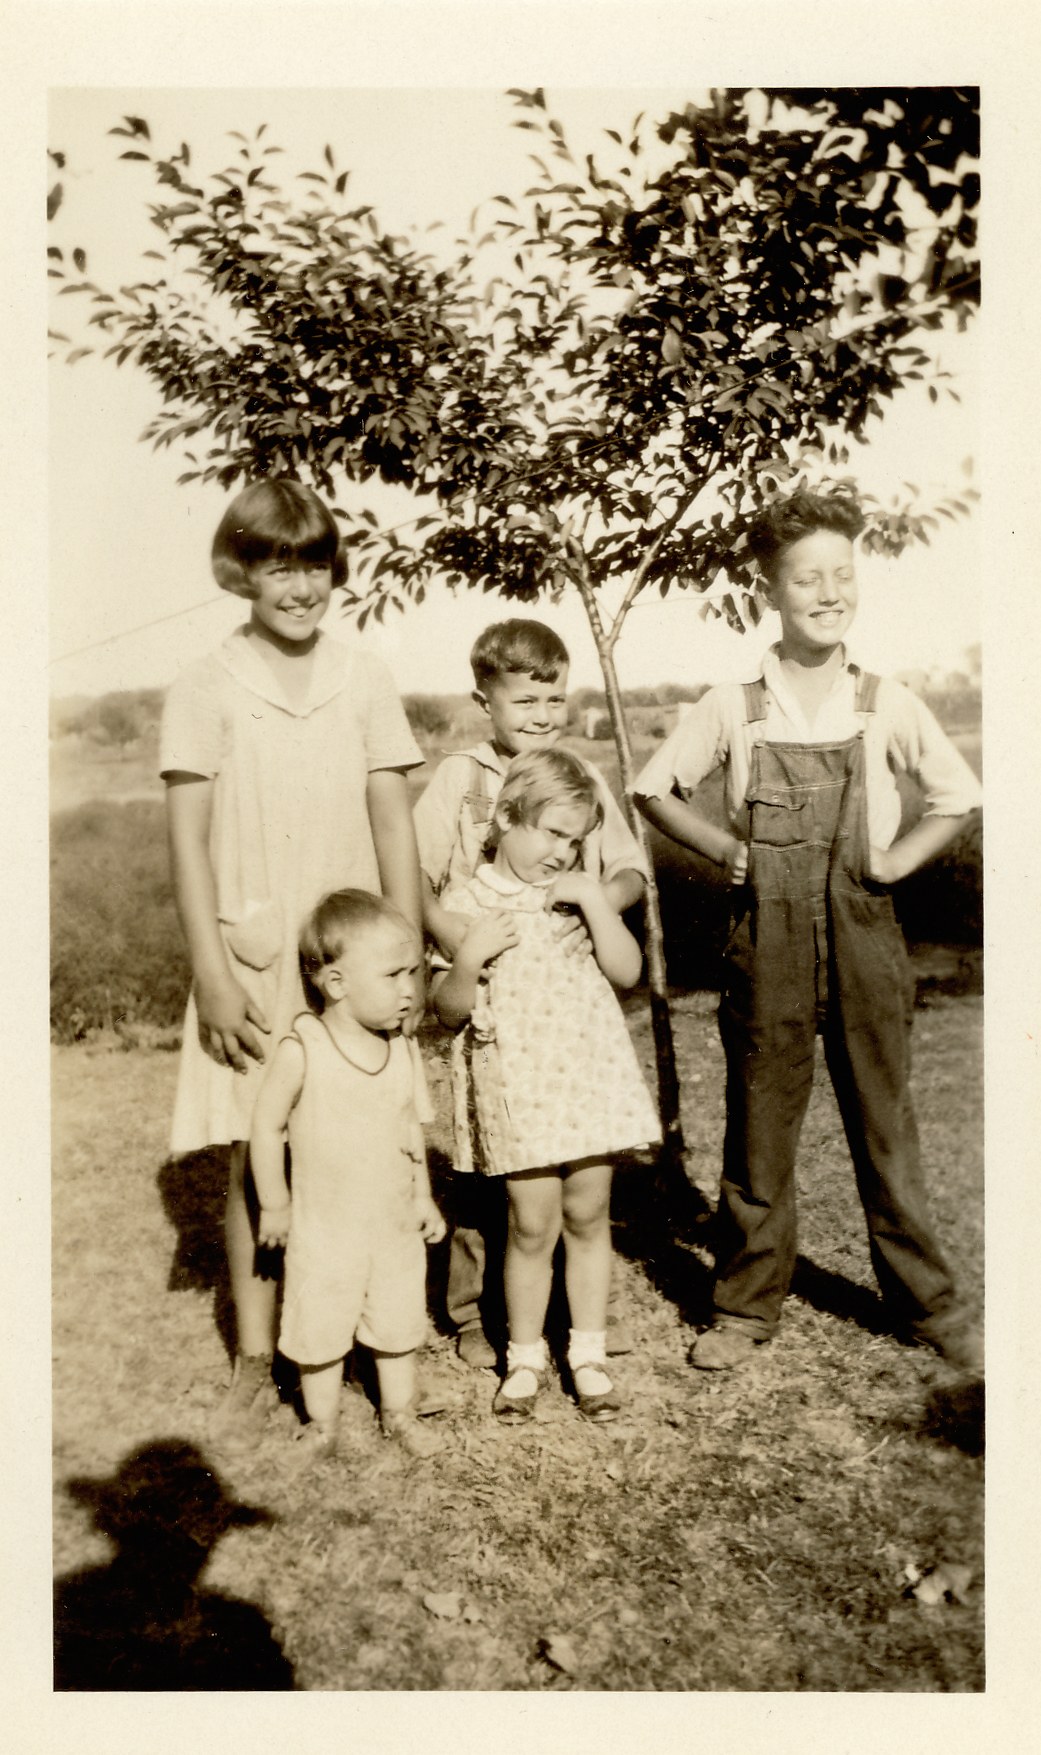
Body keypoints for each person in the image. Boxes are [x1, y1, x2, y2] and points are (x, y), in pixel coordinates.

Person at [633, 489, 983, 1372]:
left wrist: (898, 863)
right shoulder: (733, 704)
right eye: (806, 577)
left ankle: (928, 1305)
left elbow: (957, 797)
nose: (828, 593)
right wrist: (722, 846)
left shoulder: (885, 701)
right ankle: (745, 1308)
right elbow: (651, 790)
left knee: (885, 1125)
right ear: (769, 590)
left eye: (842, 575)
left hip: (865, 935)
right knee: (759, 1130)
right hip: (768, 942)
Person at [160, 480, 424, 1443]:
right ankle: (255, 1352)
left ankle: (366, 1332)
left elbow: (393, 818)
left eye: (315, 563)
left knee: (357, 1142)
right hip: (253, 950)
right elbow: (188, 843)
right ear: (241, 570)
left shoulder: (366, 676)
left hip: (350, 950)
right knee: (254, 1147)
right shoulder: (204, 683)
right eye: (277, 565)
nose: (300, 586)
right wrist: (212, 973)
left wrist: (407, 953)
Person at [414, 618, 648, 1368]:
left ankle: (561, 1326)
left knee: (551, 1177)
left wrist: (592, 903)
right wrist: (457, 944)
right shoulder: (461, 776)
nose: (542, 715)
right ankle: (474, 1312)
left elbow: (626, 869)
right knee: (488, 1161)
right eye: (525, 700)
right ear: (485, 699)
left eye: (554, 697)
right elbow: (413, 878)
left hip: (555, 986)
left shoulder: (579, 777)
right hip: (482, 972)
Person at [432, 749, 660, 1424]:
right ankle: (525, 1356)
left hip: (586, 1075)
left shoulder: (577, 892)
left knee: (588, 1215)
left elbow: (626, 971)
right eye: (550, 833)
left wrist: (595, 899)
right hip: (519, 1086)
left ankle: (586, 1355)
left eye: (575, 839)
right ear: (504, 817)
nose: (562, 852)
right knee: (531, 1224)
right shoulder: (465, 901)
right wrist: (469, 957)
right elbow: (444, 1009)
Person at [250, 891, 446, 1460]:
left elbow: (409, 1129)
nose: (410, 988)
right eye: (393, 974)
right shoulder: (305, 1048)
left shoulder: (399, 1049)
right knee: (320, 1321)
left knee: (399, 1317)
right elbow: (266, 1128)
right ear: (336, 984)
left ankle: (400, 1413)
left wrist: (424, 1197)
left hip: (391, 1223)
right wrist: (275, 1202)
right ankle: (322, 1423)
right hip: (324, 1226)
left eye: (412, 972)